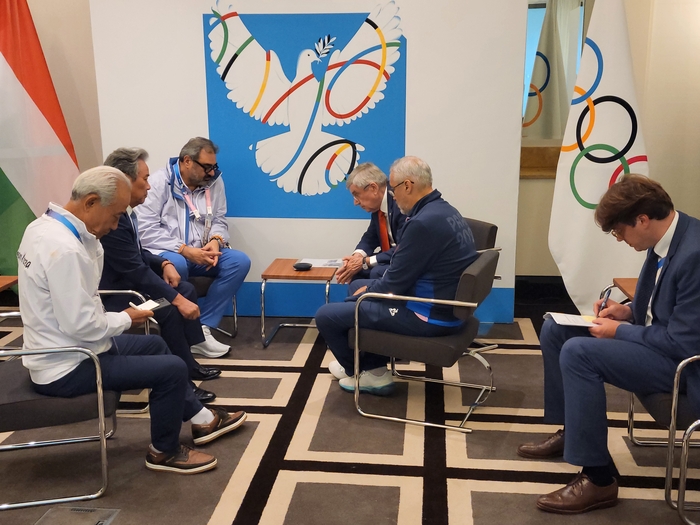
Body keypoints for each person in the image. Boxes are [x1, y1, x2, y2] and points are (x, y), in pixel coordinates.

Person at [17, 166, 247, 474]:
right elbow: (83, 326)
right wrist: (127, 318)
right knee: (172, 369)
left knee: (155, 345)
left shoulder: (42, 228)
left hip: (60, 348)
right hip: (68, 365)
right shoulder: (66, 249)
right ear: (91, 202)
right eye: (114, 216)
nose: (115, 226)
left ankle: (202, 420)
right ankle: (164, 452)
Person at [518, 174, 700, 514]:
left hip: (686, 369)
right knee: (556, 329)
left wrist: (619, 331)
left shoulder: (695, 254)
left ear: (642, 220)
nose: (620, 239)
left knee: (579, 352)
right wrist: (627, 311)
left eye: (619, 231)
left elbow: (682, 343)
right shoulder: (667, 239)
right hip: (663, 346)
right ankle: (572, 429)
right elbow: (669, 307)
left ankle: (599, 478)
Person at [315, 156, 478, 395]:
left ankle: (362, 371)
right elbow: (400, 273)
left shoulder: (422, 223)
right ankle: (373, 368)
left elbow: (394, 283)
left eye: (393, 188)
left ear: (408, 186)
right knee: (357, 291)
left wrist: (363, 295)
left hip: (429, 315)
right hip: (446, 307)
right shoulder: (445, 210)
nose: (392, 194)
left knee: (327, 315)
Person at [100, 147, 222, 404]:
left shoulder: (125, 214)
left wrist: (164, 262)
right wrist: (177, 300)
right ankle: (183, 384)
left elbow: (137, 253)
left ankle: (189, 362)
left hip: (132, 286)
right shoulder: (112, 219)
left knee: (185, 289)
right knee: (168, 306)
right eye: (144, 179)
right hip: (117, 297)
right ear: (124, 181)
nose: (148, 186)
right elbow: (135, 270)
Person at [135, 137, 250, 352]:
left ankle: (202, 328)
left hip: (201, 251)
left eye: (214, 166)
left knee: (239, 262)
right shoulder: (158, 183)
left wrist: (216, 240)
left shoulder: (214, 182)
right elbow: (145, 230)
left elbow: (219, 219)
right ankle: (181, 332)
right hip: (169, 252)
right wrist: (185, 250)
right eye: (206, 167)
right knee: (177, 265)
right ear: (187, 161)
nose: (211, 172)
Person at [335, 162, 406, 284]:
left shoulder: (400, 202)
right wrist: (357, 257)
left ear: (373, 188)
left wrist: (364, 261)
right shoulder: (378, 207)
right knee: (356, 273)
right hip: (389, 259)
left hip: (404, 263)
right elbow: (370, 237)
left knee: (374, 272)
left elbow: (404, 247)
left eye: (356, 195)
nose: (355, 202)